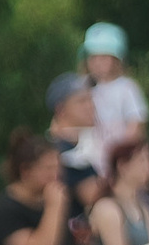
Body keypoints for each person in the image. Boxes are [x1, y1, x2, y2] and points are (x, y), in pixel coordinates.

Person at [44, 72, 106, 213]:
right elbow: (91, 196)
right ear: (61, 110)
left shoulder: (77, 146)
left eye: (91, 100)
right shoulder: (61, 150)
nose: (91, 106)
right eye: (82, 101)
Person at [81, 23, 148, 148]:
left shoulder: (127, 88)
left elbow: (136, 124)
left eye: (103, 58)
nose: (97, 63)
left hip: (119, 154)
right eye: (93, 58)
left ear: (117, 60)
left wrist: (119, 151)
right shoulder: (84, 88)